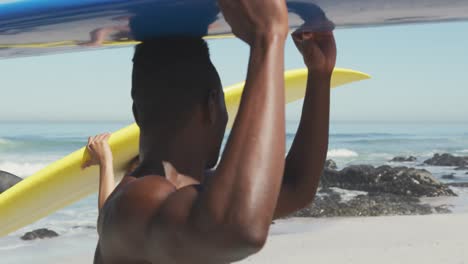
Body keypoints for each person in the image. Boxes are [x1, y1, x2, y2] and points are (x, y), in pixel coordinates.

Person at [90, 0, 336, 263]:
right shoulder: (135, 204)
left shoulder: (189, 190)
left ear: (137, 114)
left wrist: (319, 75)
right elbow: (240, 229)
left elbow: (295, 186)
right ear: (212, 106)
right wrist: (267, 39)